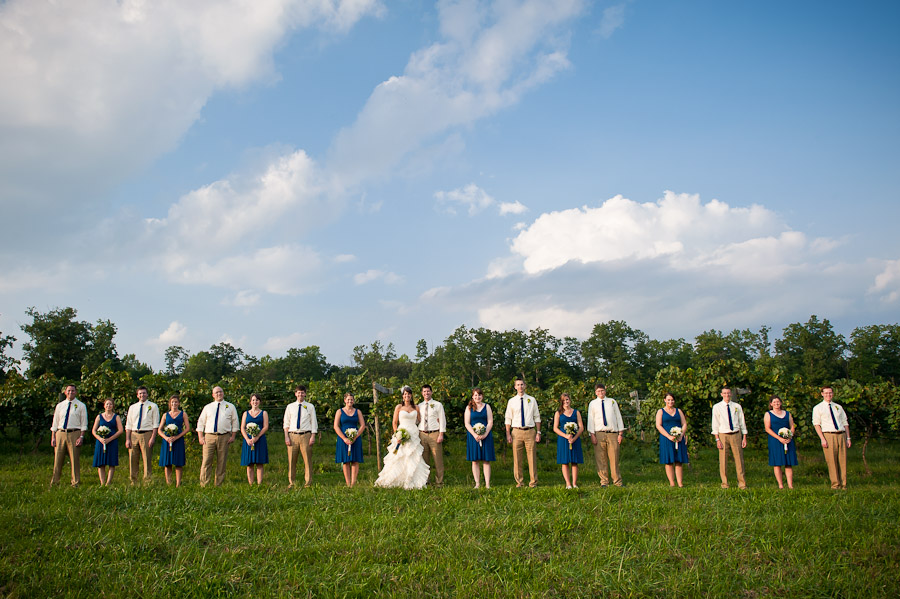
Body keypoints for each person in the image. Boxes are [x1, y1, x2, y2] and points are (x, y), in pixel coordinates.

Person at [375, 386, 430, 489]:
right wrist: (398, 435)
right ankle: (396, 480)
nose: (407, 396)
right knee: (399, 456)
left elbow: (419, 421)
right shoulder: (399, 407)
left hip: (413, 434)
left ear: (411, 395)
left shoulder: (416, 407)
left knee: (413, 456)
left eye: (408, 394)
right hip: (401, 433)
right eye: (405, 394)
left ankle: (413, 479)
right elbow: (394, 423)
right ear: (402, 396)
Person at [196, 386, 239, 487]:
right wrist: (200, 437)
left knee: (221, 461)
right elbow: (201, 422)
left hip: (224, 437)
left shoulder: (230, 406)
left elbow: (235, 422)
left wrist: (233, 436)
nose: (219, 394)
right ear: (213, 395)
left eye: (220, 392)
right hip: (209, 437)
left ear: (223, 393)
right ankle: (204, 484)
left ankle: (218, 484)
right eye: (216, 392)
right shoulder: (208, 407)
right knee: (206, 461)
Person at [504, 378, 542, 488]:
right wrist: (508, 434)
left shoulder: (531, 400)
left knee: (532, 458)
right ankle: (519, 482)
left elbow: (537, 417)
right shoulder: (511, 401)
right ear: (515, 387)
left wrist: (538, 432)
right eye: (518, 385)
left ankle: (533, 482)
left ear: (525, 386)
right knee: (517, 458)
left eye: (522, 384)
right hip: (516, 432)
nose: (520, 386)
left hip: (530, 431)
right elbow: (508, 418)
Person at [587, 383, 625, 487]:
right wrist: (592, 434)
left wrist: (620, 433)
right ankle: (604, 481)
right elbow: (591, 419)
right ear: (595, 392)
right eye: (598, 391)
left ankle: (617, 481)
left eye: (602, 391)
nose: (601, 393)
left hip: (612, 433)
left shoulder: (612, 402)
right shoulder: (593, 404)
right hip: (599, 433)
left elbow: (618, 416)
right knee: (601, 458)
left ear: (605, 391)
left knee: (614, 458)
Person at [812, 386, 851, 489]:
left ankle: (844, 484)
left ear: (833, 394)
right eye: (826, 393)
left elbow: (845, 422)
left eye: (830, 393)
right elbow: (816, 424)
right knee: (832, 461)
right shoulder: (818, 408)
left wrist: (848, 438)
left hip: (841, 434)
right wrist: (822, 439)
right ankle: (835, 484)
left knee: (842, 460)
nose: (828, 395)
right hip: (828, 435)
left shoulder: (838, 407)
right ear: (822, 394)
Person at [50, 384, 88, 487]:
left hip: (74, 433)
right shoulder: (60, 405)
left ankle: (75, 482)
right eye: (69, 391)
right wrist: (53, 436)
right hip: (60, 433)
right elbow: (55, 422)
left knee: (74, 459)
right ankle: (55, 481)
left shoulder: (81, 406)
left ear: (76, 392)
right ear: (65, 392)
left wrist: (81, 437)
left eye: (73, 391)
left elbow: (84, 423)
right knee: (58, 459)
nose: (70, 392)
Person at [711, 387, 748, 489]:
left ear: (731, 394)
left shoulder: (737, 406)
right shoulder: (717, 407)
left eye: (728, 393)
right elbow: (715, 423)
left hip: (736, 434)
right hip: (723, 434)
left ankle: (742, 483)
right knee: (723, 460)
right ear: (721, 394)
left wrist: (744, 436)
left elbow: (742, 421)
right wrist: (717, 439)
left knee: (739, 459)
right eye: (724, 393)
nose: (726, 395)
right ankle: (725, 483)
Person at [283, 385, 318, 488]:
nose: (300, 394)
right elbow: (286, 423)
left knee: (307, 460)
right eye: (298, 392)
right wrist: (286, 436)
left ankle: (308, 482)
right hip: (292, 436)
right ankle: (291, 482)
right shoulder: (290, 407)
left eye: (302, 392)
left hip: (305, 435)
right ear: (295, 394)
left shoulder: (310, 406)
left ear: (305, 394)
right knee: (291, 460)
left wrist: (313, 436)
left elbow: (313, 422)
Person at [125, 386, 160, 485]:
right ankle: (133, 480)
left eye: (144, 393)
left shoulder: (153, 406)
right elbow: (128, 424)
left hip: (146, 433)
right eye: (140, 393)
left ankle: (147, 481)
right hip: (134, 434)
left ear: (147, 394)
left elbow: (155, 424)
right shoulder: (133, 407)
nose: (142, 395)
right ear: (137, 395)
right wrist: (127, 439)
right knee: (133, 458)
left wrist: (153, 437)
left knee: (147, 458)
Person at [463, 387, 495, 489]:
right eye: (475, 395)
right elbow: (467, 423)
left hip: (486, 435)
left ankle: (487, 484)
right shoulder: (468, 408)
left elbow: (490, 421)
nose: (478, 397)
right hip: (473, 437)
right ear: (473, 396)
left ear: (482, 396)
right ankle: (477, 483)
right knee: (475, 460)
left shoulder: (487, 407)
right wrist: (475, 434)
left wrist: (485, 433)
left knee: (486, 460)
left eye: (479, 395)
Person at [655, 393, 688, 487]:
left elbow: (684, 424)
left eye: (672, 400)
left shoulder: (679, 411)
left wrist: (681, 434)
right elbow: (658, 425)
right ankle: (672, 482)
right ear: (665, 400)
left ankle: (680, 483)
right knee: (669, 461)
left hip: (679, 438)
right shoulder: (660, 411)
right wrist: (669, 436)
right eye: (668, 400)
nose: (670, 402)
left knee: (679, 461)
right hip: (666, 438)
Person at [764, 395, 797, 489]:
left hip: (788, 440)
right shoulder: (768, 414)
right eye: (774, 402)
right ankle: (781, 485)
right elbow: (767, 428)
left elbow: (792, 426)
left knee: (788, 463)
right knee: (777, 463)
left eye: (778, 402)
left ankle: (790, 485)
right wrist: (779, 438)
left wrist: (789, 436)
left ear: (781, 403)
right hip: (775, 441)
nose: (776, 403)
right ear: (771, 404)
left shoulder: (787, 414)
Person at [552, 393, 584, 489]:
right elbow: (555, 428)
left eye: (567, 399)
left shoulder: (576, 412)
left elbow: (581, 427)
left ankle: (574, 483)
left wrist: (575, 438)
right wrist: (566, 436)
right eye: (564, 400)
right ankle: (568, 483)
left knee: (574, 461)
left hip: (575, 439)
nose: (566, 402)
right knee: (564, 461)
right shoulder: (558, 413)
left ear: (570, 400)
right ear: (561, 402)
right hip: (563, 439)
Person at [334, 392, 366, 487]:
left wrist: (355, 436)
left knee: (355, 460)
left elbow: (363, 425)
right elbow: (336, 426)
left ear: (353, 401)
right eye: (348, 399)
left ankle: (353, 483)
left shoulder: (358, 411)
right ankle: (348, 483)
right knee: (346, 460)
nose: (350, 401)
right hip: (343, 438)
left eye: (351, 399)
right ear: (345, 400)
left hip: (355, 438)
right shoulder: (339, 412)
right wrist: (344, 438)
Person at [158, 394, 190, 487]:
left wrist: (177, 437)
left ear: (179, 403)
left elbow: (187, 428)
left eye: (176, 402)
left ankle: (178, 484)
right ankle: (168, 483)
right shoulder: (165, 415)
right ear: (169, 404)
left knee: (178, 462)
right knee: (167, 463)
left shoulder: (183, 414)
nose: (174, 404)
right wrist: (166, 437)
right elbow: (159, 429)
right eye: (172, 402)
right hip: (167, 441)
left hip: (178, 440)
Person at [418, 384, 446, 487]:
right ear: (422, 393)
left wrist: (441, 434)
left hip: (434, 434)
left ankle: (439, 481)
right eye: (424, 391)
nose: (426, 393)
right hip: (422, 434)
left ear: (431, 392)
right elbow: (417, 420)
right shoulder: (419, 406)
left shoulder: (438, 405)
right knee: (424, 460)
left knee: (437, 459)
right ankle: (426, 480)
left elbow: (442, 420)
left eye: (428, 391)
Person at [91, 398, 123, 486]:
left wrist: (110, 439)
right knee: (101, 463)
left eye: (110, 404)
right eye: (107, 404)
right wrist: (100, 439)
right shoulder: (99, 416)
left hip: (112, 441)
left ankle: (108, 483)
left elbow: (120, 430)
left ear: (113, 406)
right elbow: (93, 430)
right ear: (104, 406)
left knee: (111, 462)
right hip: (101, 442)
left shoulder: (116, 417)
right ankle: (102, 482)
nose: (109, 406)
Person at [240, 393, 269, 485]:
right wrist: (247, 439)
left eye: (257, 400)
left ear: (259, 402)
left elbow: (265, 427)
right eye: (253, 400)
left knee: (259, 463)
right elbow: (242, 428)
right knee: (250, 463)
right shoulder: (246, 413)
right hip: (248, 440)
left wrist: (257, 437)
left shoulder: (264, 413)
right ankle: (251, 484)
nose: (255, 402)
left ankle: (259, 484)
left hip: (260, 440)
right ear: (250, 402)